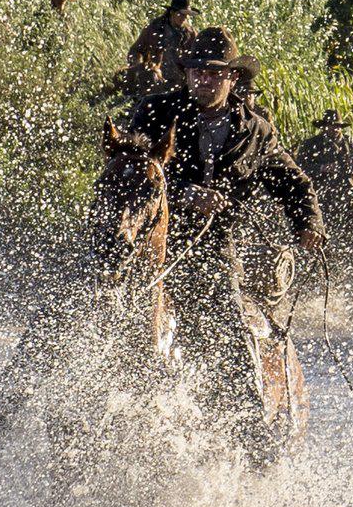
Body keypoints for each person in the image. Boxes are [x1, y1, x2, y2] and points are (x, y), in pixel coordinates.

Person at [125, 27, 324, 446]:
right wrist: (181, 193)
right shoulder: (155, 111)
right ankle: (6, 398)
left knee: (225, 322)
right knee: (72, 290)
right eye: (197, 70)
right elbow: (132, 168)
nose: (204, 79)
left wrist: (309, 224)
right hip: (142, 235)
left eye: (215, 73)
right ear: (187, 72)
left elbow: (294, 182)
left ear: (232, 78)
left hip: (209, 248)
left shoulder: (256, 132)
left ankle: (249, 430)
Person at [128, 0, 196, 89]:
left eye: (186, 15)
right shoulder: (154, 29)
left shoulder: (190, 33)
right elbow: (135, 51)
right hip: (156, 81)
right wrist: (140, 69)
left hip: (181, 82)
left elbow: (197, 56)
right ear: (172, 12)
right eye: (181, 14)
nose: (184, 17)